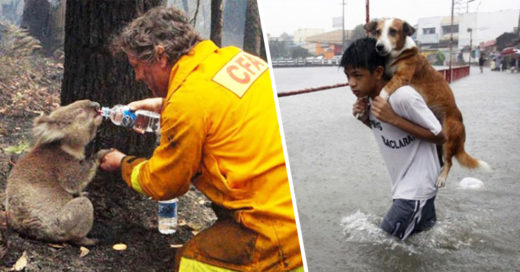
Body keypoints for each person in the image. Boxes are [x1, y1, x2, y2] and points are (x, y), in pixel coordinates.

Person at [99, 6, 303, 272]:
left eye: (138, 66)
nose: (138, 77)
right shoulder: (235, 59)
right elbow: (218, 110)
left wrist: (122, 163)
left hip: (275, 230)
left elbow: (164, 184)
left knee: (191, 262)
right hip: (292, 202)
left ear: (161, 56)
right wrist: (165, 105)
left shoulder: (188, 102)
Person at [340, 38, 445, 240]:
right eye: (348, 76)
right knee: (423, 244)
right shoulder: (371, 99)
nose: (351, 83)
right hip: (406, 187)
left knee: (383, 246)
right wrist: (365, 119)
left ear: (378, 72)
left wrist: (394, 118)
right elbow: (389, 132)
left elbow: (440, 135)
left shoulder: (403, 96)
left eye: (357, 75)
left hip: (415, 189)